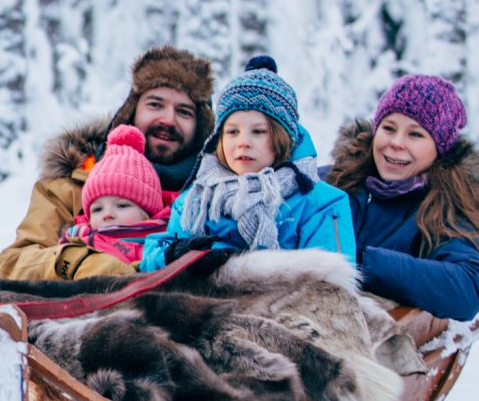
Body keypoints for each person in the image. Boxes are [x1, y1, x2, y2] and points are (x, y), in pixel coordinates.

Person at [0, 46, 215, 280]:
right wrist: (80, 263)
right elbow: (9, 265)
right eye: (155, 104)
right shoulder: (71, 185)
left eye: (184, 112)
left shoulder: (215, 195)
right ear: (131, 111)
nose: (168, 119)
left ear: (201, 127)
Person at [140, 57, 355, 270]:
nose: (243, 143)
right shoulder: (197, 199)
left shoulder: (320, 203)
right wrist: (172, 255)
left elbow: (330, 280)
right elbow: (153, 255)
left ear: (283, 138)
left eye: (258, 132)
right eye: (232, 132)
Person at [324, 73, 479, 321]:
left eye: (415, 134)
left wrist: (363, 261)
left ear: (439, 149)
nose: (396, 143)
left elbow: (467, 289)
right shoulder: (336, 180)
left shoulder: (443, 206)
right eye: (388, 128)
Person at [59, 125, 170, 269]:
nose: (107, 214)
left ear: (146, 215)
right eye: (97, 209)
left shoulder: (161, 246)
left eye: (122, 205)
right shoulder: (77, 241)